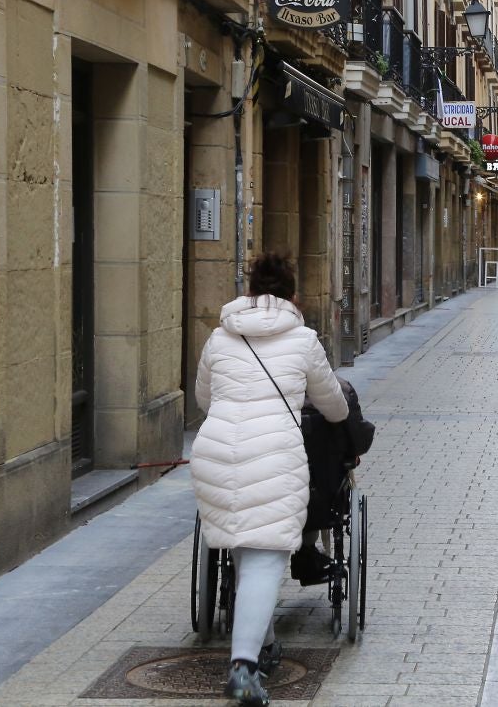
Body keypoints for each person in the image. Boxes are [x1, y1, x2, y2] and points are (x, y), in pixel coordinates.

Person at [191, 252, 349, 706]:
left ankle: (264, 642)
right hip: (274, 454)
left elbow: (205, 397)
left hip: (217, 451)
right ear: (291, 294)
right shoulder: (303, 340)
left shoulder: (220, 338)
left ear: (249, 291)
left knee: (245, 546)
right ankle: (243, 667)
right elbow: (334, 405)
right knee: (264, 558)